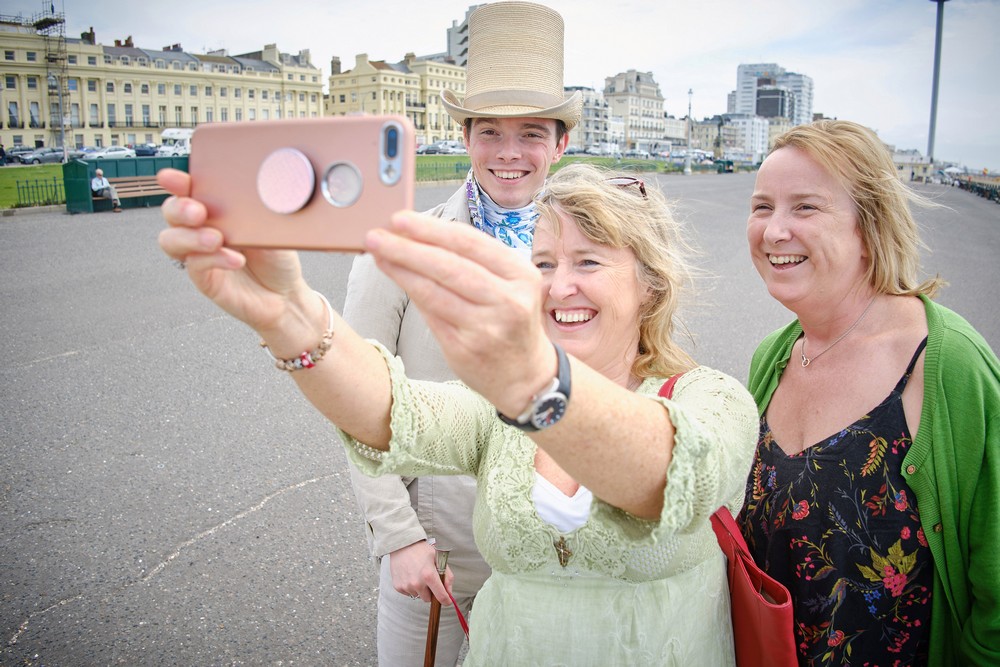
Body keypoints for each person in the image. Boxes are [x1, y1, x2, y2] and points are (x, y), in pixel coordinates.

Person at [157, 161, 758, 664]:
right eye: (544, 263)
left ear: (651, 284)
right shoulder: (501, 409)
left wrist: (530, 376)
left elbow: (670, 474)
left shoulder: (713, 398)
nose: (557, 286)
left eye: (589, 262)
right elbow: (394, 411)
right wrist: (289, 318)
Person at [340, 3, 581, 664]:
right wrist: (398, 536)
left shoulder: (592, 258)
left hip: (555, 555)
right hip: (442, 560)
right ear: (466, 136)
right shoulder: (399, 248)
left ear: (560, 143)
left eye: (531, 133)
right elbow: (356, 399)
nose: (510, 153)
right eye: (490, 131)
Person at [738, 119, 1000, 665]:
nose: (774, 230)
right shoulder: (773, 357)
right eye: (763, 206)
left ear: (869, 225)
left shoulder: (946, 363)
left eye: (805, 207)